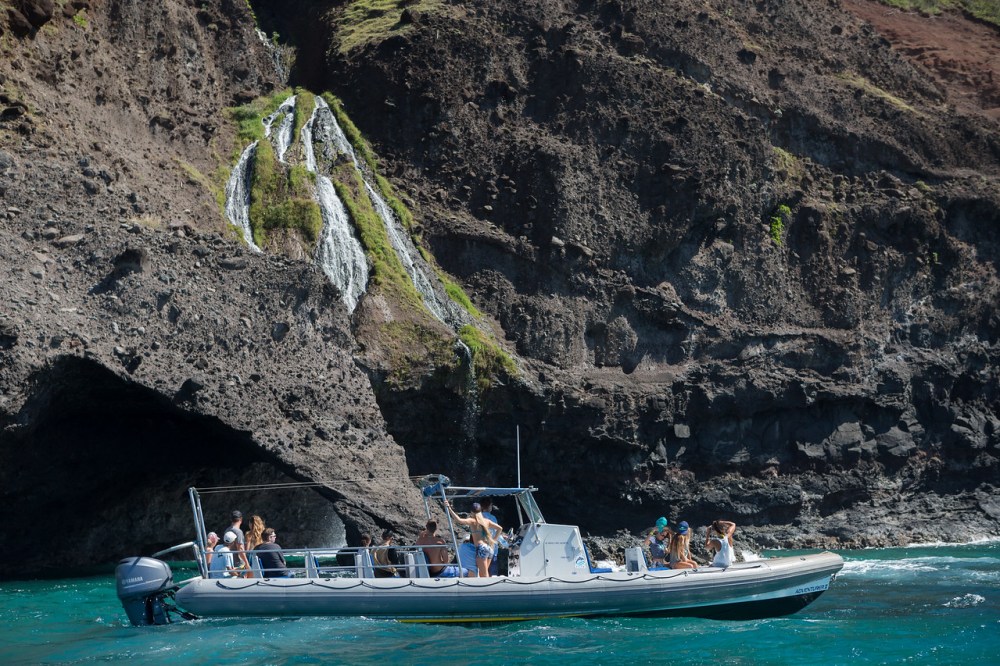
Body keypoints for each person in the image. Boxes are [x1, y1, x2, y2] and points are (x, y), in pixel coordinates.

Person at [444, 499, 502, 577]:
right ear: (480, 511)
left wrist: (449, 508)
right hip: (489, 548)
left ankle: (485, 589)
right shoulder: (486, 521)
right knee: (486, 573)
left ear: (472, 512)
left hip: (481, 549)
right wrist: (494, 540)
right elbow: (500, 528)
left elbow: (458, 520)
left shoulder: (472, 521)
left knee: (483, 575)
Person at [225, 510, 251, 575]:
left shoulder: (227, 530)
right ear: (241, 519)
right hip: (238, 563)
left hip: (230, 563)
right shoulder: (238, 532)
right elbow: (240, 549)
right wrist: (247, 564)